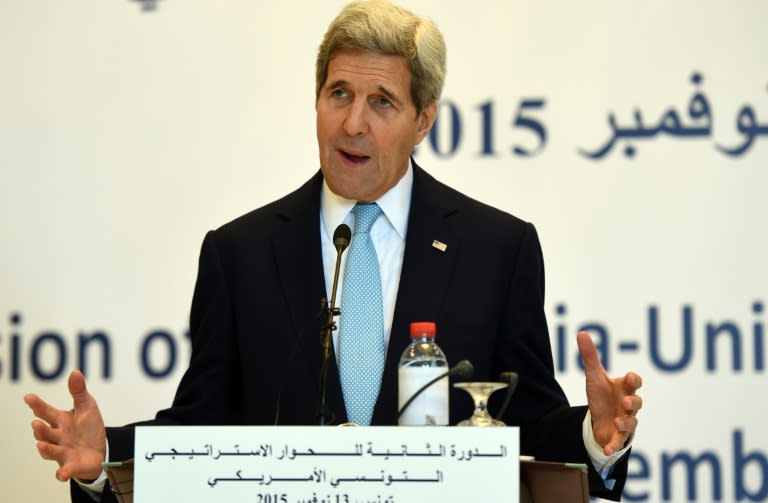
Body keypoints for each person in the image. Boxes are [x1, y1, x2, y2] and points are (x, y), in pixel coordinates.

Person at [24, 1, 643, 501]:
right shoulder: (238, 254)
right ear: (317, 99)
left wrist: (596, 436)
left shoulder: (497, 248)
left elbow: (528, 428)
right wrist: (104, 458)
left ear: (424, 119)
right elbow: (201, 425)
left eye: (382, 103)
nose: (353, 124)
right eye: (339, 94)